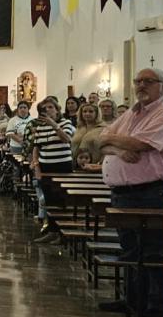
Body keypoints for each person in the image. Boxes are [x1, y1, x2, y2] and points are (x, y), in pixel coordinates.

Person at [95, 69, 163, 317]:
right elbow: (99, 143)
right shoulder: (131, 113)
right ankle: (132, 300)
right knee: (129, 248)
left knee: (153, 250)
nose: (141, 86)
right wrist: (117, 148)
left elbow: (142, 145)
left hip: (150, 193)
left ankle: (156, 307)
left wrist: (111, 138)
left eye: (148, 82)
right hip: (124, 194)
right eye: (138, 81)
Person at [27, 99, 75, 242]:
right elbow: (36, 147)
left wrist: (54, 125)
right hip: (45, 166)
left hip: (62, 166)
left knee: (61, 200)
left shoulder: (65, 123)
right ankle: (52, 230)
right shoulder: (40, 127)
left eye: (51, 107)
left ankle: (63, 232)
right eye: (45, 108)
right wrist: (36, 167)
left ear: (57, 109)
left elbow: (66, 139)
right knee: (49, 200)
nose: (48, 110)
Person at [71, 102, 106, 167]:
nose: (87, 114)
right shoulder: (79, 128)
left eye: (91, 111)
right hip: (76, 166)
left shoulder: (103, 128)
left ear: (96, 114)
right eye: (84, 111)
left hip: (94, 165)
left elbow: (105, 149)